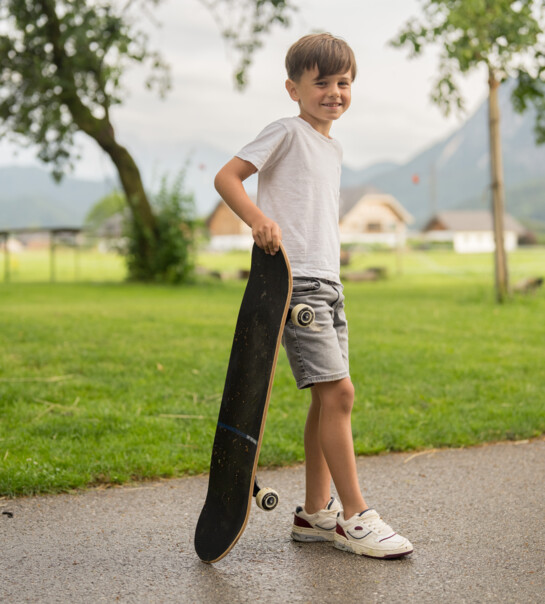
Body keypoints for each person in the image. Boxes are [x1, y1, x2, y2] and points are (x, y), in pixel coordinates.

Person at [214, 33, 413, 559]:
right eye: (320, 82)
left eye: (343, 82)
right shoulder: (286, 131)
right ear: (293, 88)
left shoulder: (333, 145)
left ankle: (314, 513)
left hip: (328, 284)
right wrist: (258, 220)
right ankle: (355, 515)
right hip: (295, 282)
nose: (334, 92)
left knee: (326, 397)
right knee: (339, 394)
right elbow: (227, 177)